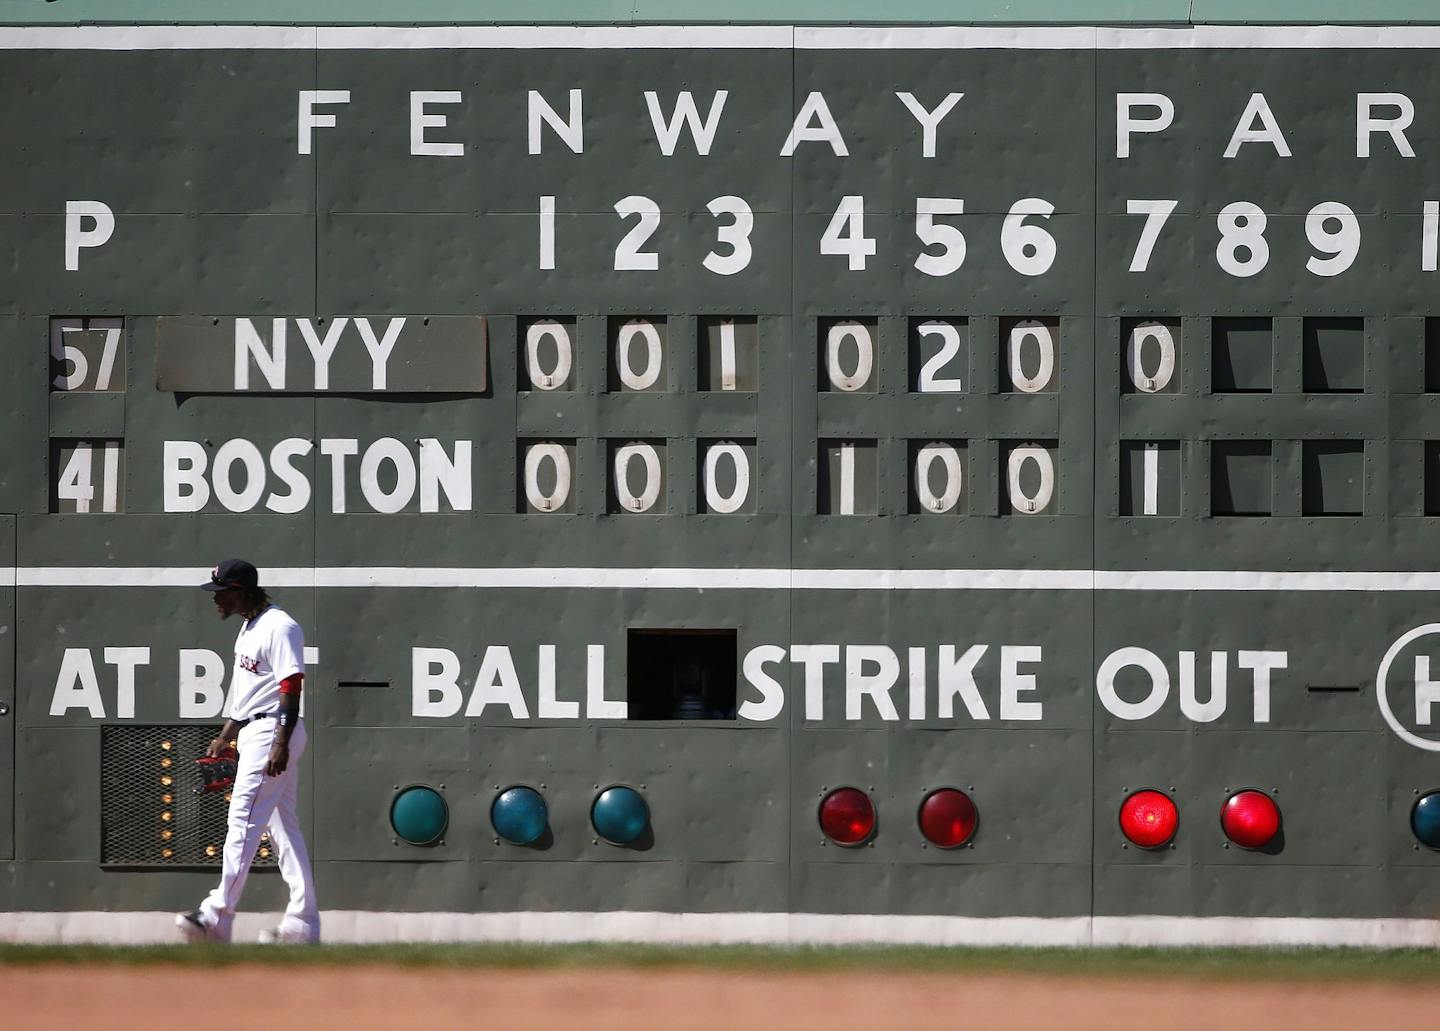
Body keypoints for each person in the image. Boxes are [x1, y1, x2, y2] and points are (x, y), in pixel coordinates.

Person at [175, 559, 320, 944]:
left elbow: (291, 686)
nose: (216, 599)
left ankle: (215, 916)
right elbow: (247, 695)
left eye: (221, 591)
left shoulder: (280, 626)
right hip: (257, 728)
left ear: (241, 590)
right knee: (282, 829)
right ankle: (303, 923)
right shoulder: (248, 628)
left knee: (242, 821)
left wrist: (280, 742)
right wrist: (226, 735)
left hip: (275, 730)